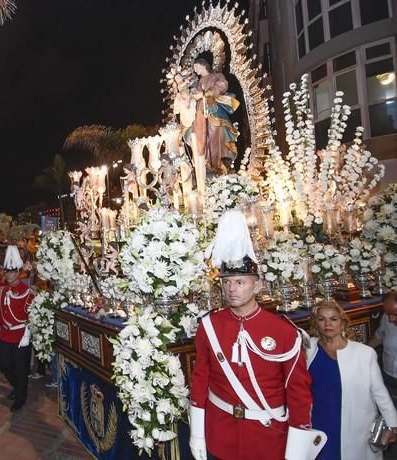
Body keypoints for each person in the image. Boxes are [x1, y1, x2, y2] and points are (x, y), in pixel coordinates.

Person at [189, 211, 321, 460]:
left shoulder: (283, 331)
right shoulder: (209, 325)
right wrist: (197, 433)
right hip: (221, 434)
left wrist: (296, 451)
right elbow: (200, 380)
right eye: (226, 282)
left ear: (257, 286)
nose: (231, 289)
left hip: (267, 437)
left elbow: (298, 393)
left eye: (240, 282)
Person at [309, 300, 397, 459]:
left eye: (333, 319)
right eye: (321, 319)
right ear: (316, 323)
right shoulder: (306, 350)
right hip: (319, 422)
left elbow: (379, 392)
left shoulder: (365, 354)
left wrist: (393, 424)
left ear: (343, 324)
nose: (327, 324)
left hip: (358, 424)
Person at [186, 58, 240, 194]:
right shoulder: (199, 82)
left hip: (213, 113)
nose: (195, 70)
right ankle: (207, 165)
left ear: (203, 65)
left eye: (196, 67)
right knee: (203, 140)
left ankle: (220, 166)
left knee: (217, 138)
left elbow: (222, 86)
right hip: (200, 115)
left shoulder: (216, 76)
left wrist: (205, 94)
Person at [0, 246, 34, 412]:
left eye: (11, 272)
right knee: (2, 363)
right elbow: (0, 313)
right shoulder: (3, 290)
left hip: (20, 334)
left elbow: (31, 316)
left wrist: (26, 335)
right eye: (6, 271)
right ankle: (17, 386)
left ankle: (20, 398)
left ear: (17, 272)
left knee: (21, 368)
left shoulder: (26, 291)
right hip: (5, 334)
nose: (7, 274)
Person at [370, 291, 397, 405]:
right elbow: (379, 336)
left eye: (395, 314)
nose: (390, 319)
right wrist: (363, 352)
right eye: (387, 313)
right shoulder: (386, 318)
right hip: (388, 376)